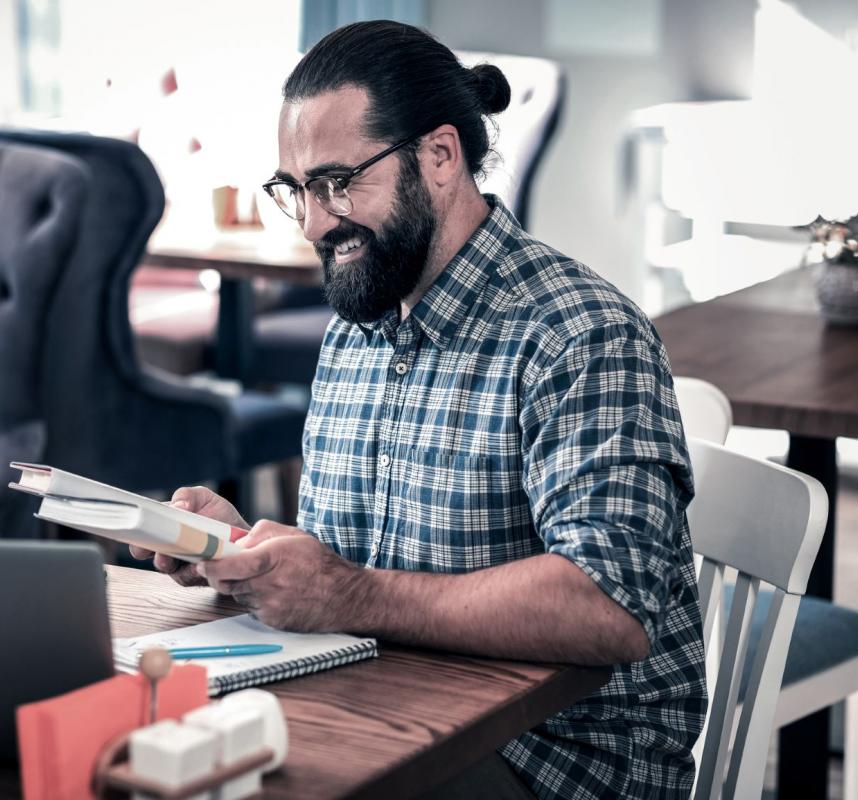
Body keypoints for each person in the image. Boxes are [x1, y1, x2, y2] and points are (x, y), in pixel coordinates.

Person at [131, 20, 705, 800]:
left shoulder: (580, 334)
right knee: (143, 751)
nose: (313, 222)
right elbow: (355, 563)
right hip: (382, 707)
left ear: (439, 157)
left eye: (337, 183)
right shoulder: (356, 329)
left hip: (556, 760)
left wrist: (348, 593)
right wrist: (246, 553)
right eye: (296, 190)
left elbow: (610, 606)